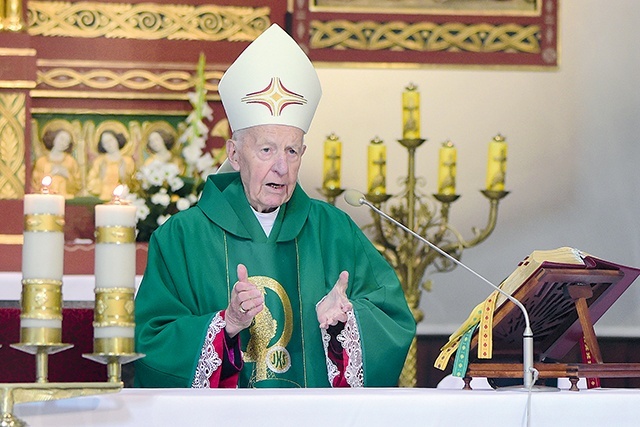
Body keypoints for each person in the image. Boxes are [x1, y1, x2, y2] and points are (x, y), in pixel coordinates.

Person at [134, 24, 415, 388]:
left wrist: (347, 323)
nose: (282, 166)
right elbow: (150, 344)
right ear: (234, 154)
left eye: (292, 150)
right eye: (266, 149)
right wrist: (226, 325)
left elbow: (393, 319)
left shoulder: (335, 231)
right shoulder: (181, 238)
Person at [31, 128, 81, 198]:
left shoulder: (71, 162)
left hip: (65, 197)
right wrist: (51, 174)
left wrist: (67, 174)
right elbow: (35, 183)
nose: (63, 143)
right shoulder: (41, 161)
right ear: (54, 138)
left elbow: (77, 185)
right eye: (61, 139)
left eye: (67, 141)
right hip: (46, 198)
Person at [87, 130, 136, 200]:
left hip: (123, 198)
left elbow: (134, 184)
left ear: (117, 140)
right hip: (104, 198)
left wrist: (123, 176)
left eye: (110, 140)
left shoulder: (128, 161)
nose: (109, 144)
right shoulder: (99, 161)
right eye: (105, 143)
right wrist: (101, 176)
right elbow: (90, 184)